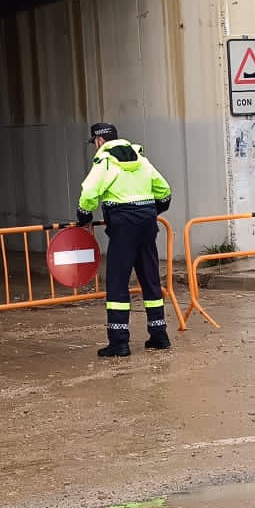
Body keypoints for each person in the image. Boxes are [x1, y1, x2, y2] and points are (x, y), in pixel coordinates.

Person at [76, 122, 172, 357]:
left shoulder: (105, 161)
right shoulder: (141, 159)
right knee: (150, 277)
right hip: (147, 223)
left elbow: (89, 192)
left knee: (118, 282)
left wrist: (84, 215)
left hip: (122, 225)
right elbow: (165, 191)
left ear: (99, 141)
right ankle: (159, 336)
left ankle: (119, 342)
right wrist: (150, 212)